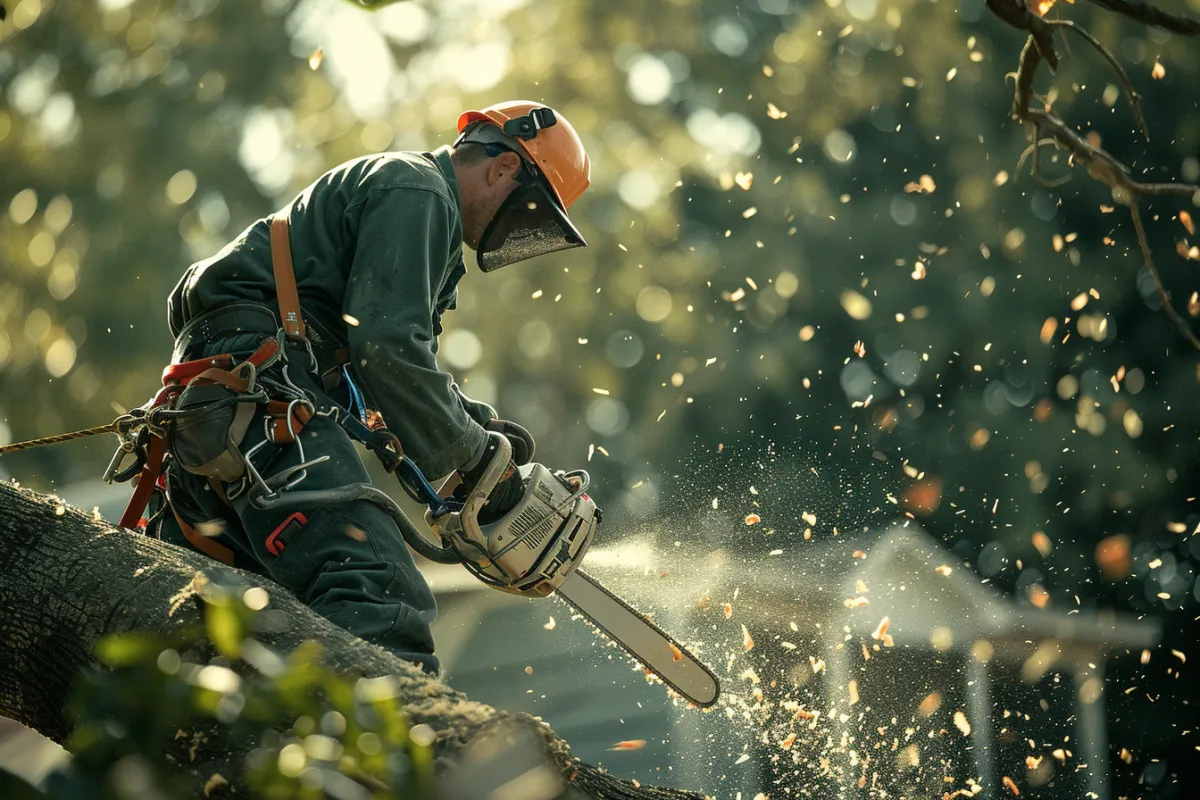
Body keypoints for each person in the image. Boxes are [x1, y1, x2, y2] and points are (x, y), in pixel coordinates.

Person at [146, 101, 591, 674]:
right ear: (504, 169)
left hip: (233, 403)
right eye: (530, 212)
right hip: (259, 391)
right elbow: (388, 352)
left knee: (234, 633)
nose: (522, 231)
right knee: (378, 594)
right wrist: (477, 458)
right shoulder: (418, 189)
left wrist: (478, 433)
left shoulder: (415, 204)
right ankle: (391, 751)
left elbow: (384, 373)